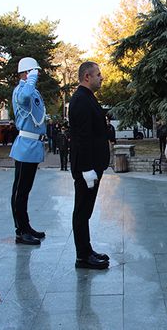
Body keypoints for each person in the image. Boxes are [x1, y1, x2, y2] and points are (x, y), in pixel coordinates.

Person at [68, 61, 110, 270]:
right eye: (98, 74)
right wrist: (86, 170)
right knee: (82, 210)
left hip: (93, 165)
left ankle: (86, 250)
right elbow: (81, 138)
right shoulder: (80, 100)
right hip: (87, 167)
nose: (101, 78)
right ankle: (82, 256)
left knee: (86, 211)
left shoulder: (87, 98)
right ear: (87, 77)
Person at [9, 57, 47, 246]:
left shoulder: (33, 91)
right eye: (34, 71)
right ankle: (20, 231)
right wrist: (29, 79)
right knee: (20, 191)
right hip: (25, 146)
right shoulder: (21, 90)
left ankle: (26, 225)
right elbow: (24, 97)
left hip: (33, 146)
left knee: (26, 190)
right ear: (26, 73)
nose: (37, 75)